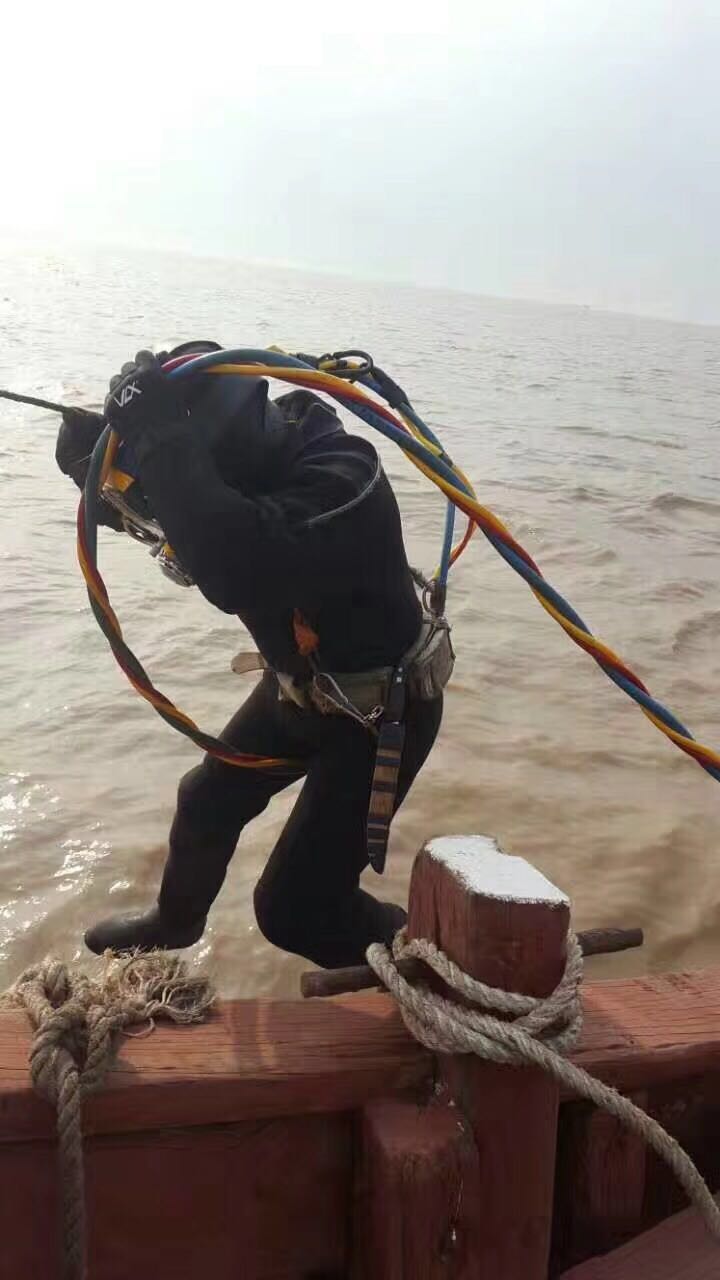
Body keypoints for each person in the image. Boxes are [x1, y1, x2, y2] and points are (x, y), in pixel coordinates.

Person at [55, 345, 447, 969]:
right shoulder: (248, 462)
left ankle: (425, 955)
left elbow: (235, 563)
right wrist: (103, 466)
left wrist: (161, 438)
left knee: (293, 908)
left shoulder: (344, 479)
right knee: (204, 803)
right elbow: (184, 517)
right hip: (300, 689)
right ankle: (175, 924)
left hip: (380, 712)